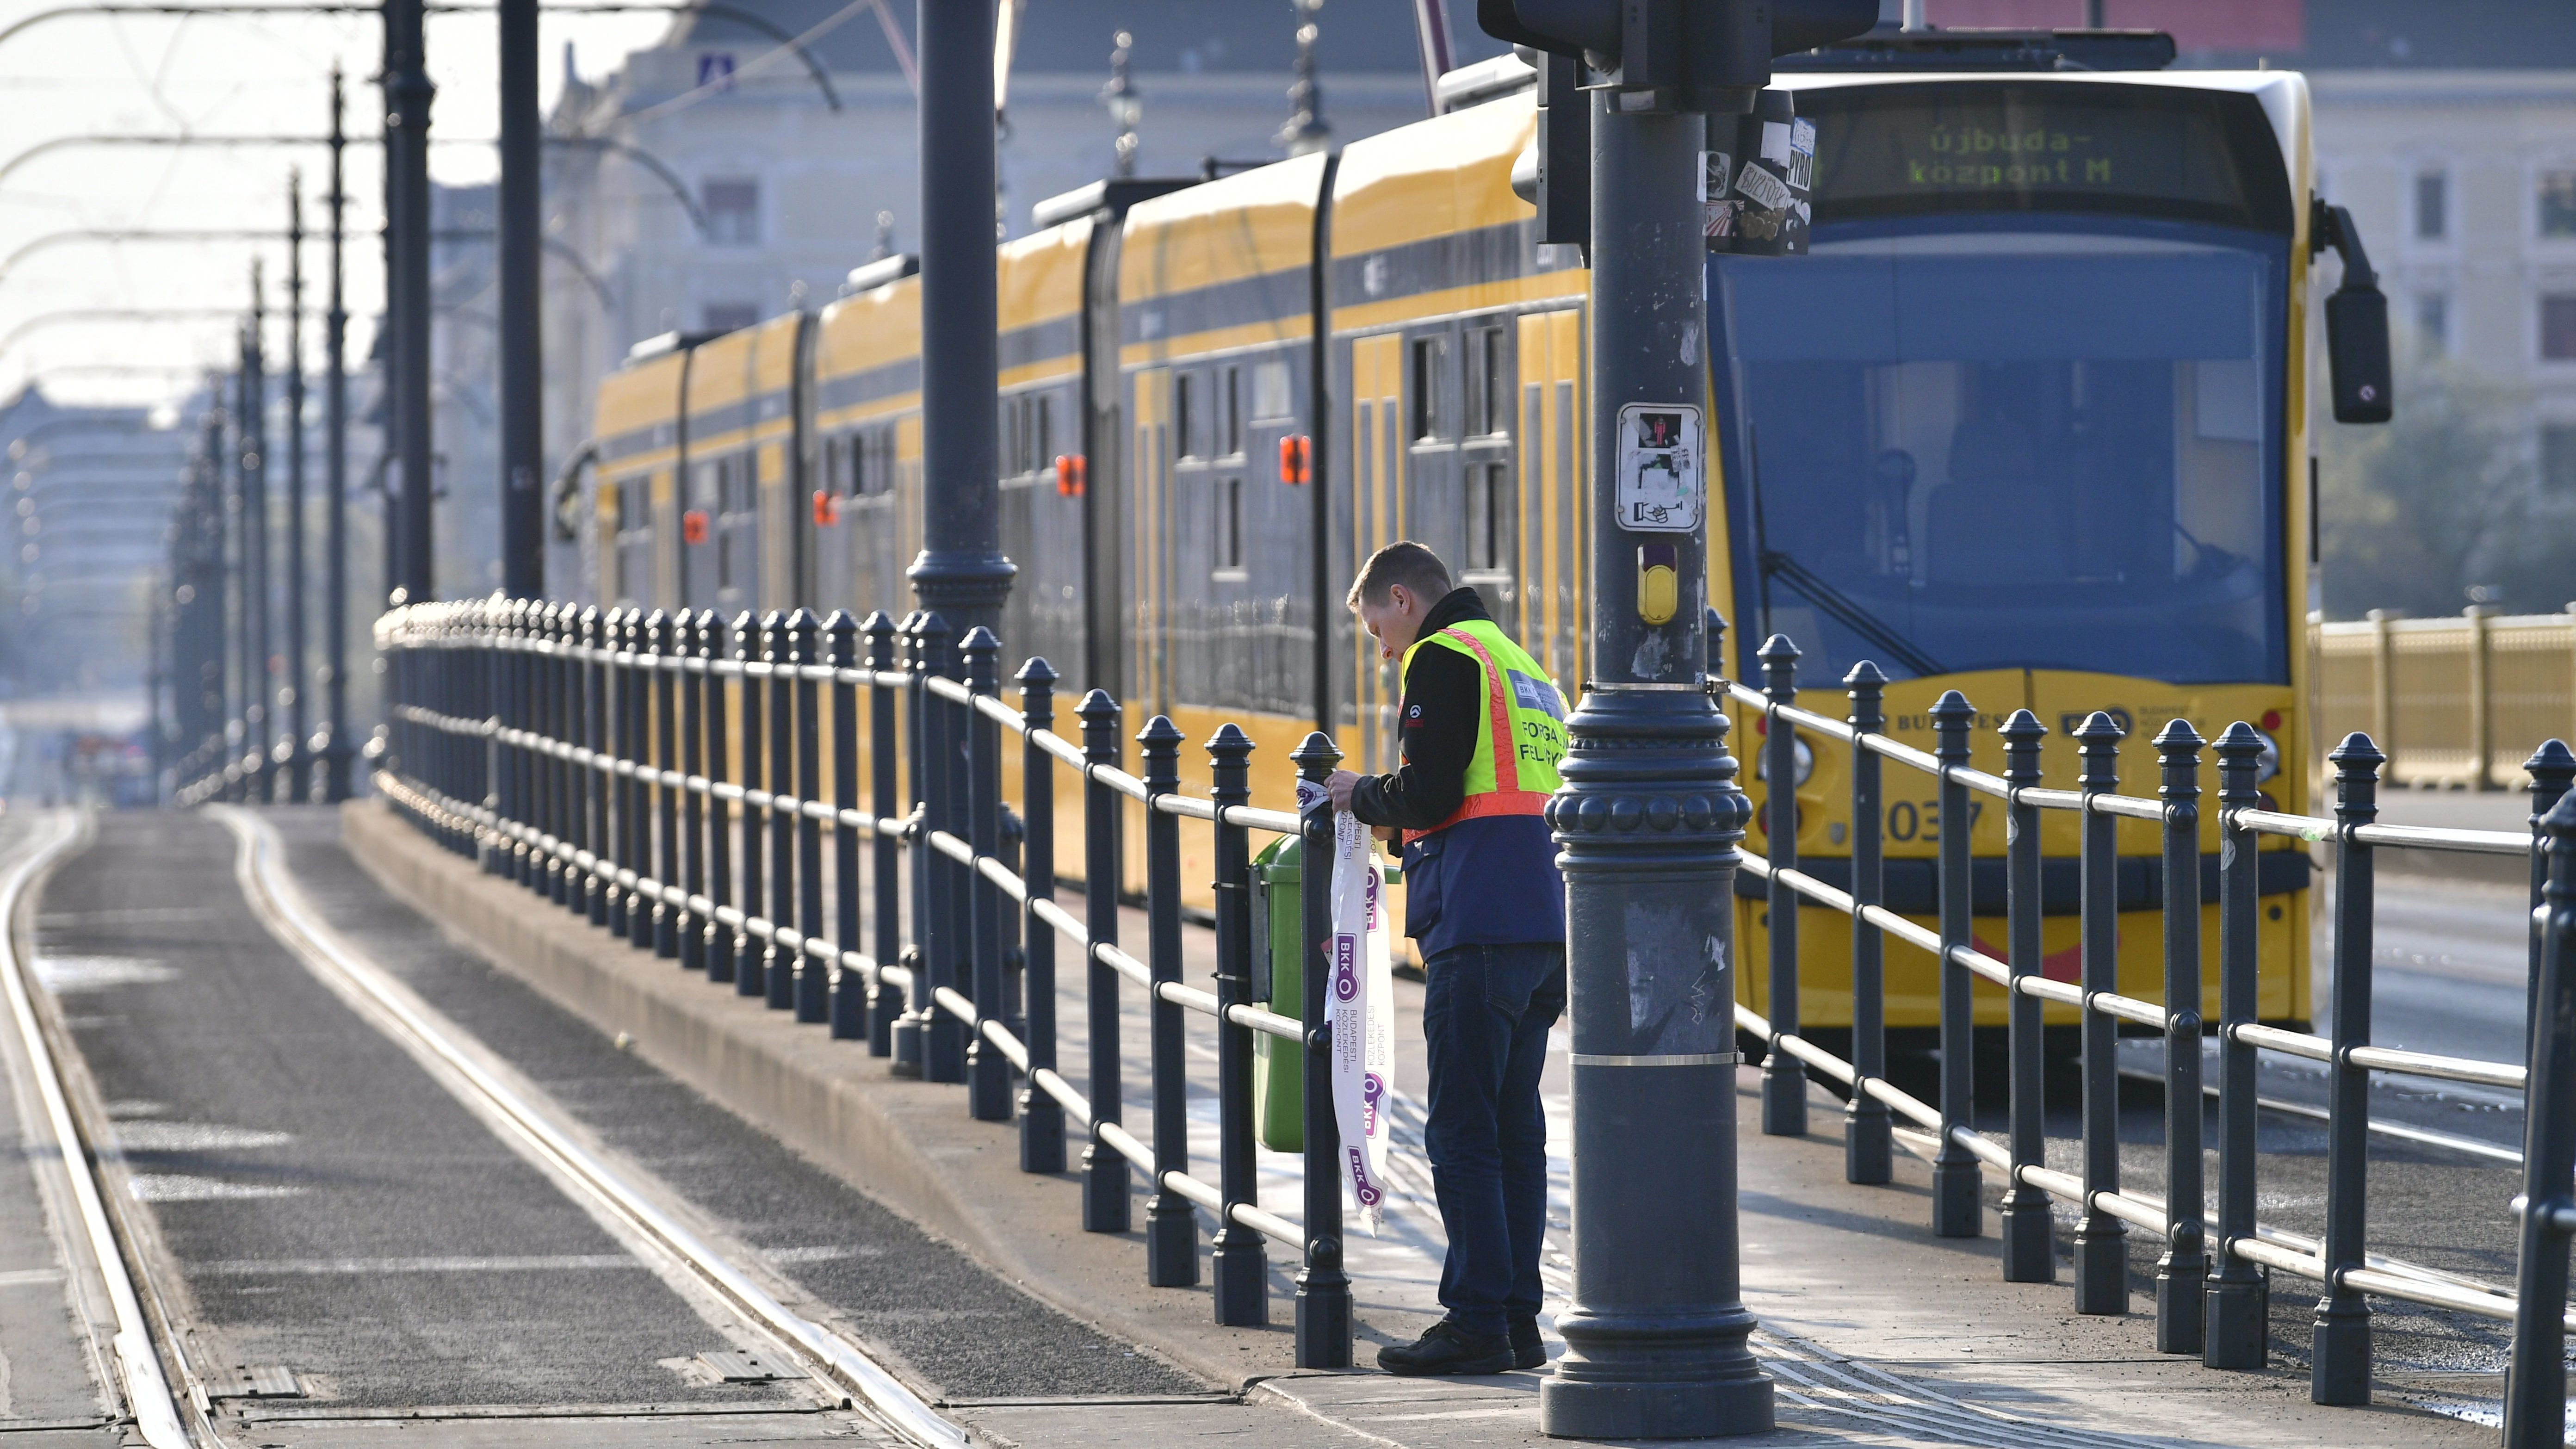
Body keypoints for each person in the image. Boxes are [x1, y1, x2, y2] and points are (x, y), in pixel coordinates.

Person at [1325, 540, 1568, 1377]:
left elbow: (1432, 792)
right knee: (1514, 1132)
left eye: (1376, 628)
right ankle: (1518, 1320)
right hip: (1543, 926)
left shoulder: (1441, 656)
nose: (1382, 649)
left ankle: (1474, 1325)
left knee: (1463, 1135)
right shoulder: (1521, 665)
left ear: (1402, 598)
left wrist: (1360, 794)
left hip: (1478, 920)